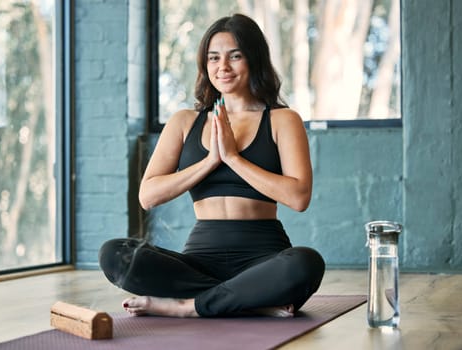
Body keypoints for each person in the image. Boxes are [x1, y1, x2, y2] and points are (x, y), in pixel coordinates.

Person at [99, 13, 325, 318]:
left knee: (305, 263)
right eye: (214, 58)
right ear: (205, 65)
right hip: (199, 260)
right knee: (114, 254)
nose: (223, 67)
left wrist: (233, 158)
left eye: (235, 56)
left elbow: (299, 198)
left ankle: (187, 306)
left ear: (254, 59)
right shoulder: (184, 122)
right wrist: (210, 161)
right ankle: (247, 300)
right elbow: (147, 196)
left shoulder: (282, 120)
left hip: (264, 256)